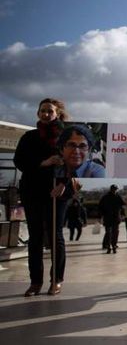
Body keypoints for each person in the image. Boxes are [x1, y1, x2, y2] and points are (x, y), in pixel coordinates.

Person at [13, 99, 73, 296]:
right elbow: (19, 161)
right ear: (38, 113)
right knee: (35, 237)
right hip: (33, 190)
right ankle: (35, 282)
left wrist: (64, 183)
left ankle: (56, 279)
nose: (46, 114)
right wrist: (44, 162)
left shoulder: (66, 137)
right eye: (42, 111)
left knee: (55, 236)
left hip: (58, 190)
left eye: (50, 111)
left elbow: (76, 161)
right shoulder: (29, 137)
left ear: (57, 114)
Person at [99, 185, 125, 254]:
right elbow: (123, 204)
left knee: (109, 233)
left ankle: (109, 247)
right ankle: (113, 246)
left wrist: (102, 215)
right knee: (115, 233)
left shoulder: (105, 197)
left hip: (108, 218)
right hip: (115, 218)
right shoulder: (117, 197)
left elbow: (100, 207)